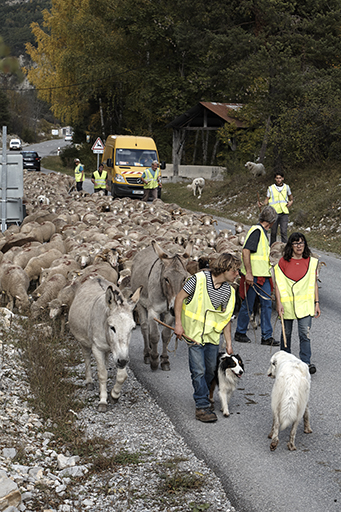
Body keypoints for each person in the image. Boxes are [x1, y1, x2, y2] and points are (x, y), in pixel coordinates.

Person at [174, 253, 241, 423]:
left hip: (212, 337)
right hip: (193, 335)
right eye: (235, 271)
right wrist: (178, 324)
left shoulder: (228, 291)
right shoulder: (198, 279)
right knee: (199, 370)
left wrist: (228, 343)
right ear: (226, 268)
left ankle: (203, 395)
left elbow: (225, 318)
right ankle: (202, 405)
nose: (237, 274)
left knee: (211, 370)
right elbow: (180, 298)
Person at [274, 232, 320, 374]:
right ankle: (284, 361)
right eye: (295, 243)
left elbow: (314, 284)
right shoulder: (283, 262)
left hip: (305, 306)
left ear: (304, 244)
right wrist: (278, 303)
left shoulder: (311, 262)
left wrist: (316, 303)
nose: (299, 246)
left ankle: (305, 363)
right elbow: (278, 284)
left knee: (304, 334)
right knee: (286, 333)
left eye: (301, 243)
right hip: (287, 305)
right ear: (291, 246)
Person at [234, 205, 280, 346]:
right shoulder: (257, 231)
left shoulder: (262, 232)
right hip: (253, 276)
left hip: (263, 275)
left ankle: (266, 336)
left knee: (266, 305)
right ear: (271, 222)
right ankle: (240, 332)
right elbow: (246, 251)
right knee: (248, 304)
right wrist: (248, 272)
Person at [258, 172, 293, 246]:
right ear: (275, 179)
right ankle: (272, 248)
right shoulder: (271, 188)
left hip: (284, 212)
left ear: (282, 178)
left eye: (280, 178)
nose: (278, 180)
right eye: (277, 178)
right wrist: (263, 204)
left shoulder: (286, 187)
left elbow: (290, 197)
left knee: (283, 232)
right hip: (274, 213)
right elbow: (267, 199)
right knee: (273, 232)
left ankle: (285, 248)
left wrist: (291, 202)